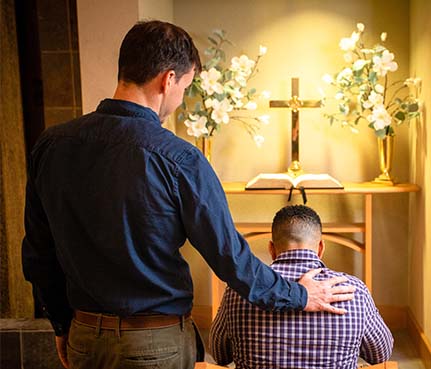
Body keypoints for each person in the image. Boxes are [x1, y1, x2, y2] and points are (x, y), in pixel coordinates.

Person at [21, 20, 355, 369]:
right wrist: (298, 295)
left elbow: (38, 253)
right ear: (168, 79)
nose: (180, 99)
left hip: (83, 337)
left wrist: (61, 325)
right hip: (154, 344)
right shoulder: (179, 158)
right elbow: (230, 258)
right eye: (185, 86)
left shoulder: (51, 145)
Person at [210, 205, 394, 369]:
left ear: (271, 249)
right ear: (321, 248)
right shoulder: (353, 291)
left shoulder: (240, 290)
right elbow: (380, 354)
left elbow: (219, 354)